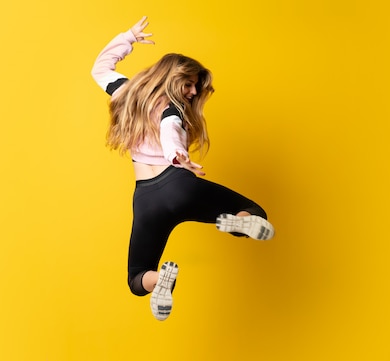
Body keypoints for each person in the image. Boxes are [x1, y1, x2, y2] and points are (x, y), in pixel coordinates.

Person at [91, 16, 275, 321]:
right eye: (188, 84)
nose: (192, 92)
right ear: (170, 78)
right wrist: (178, 157)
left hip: (146, 200)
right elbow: (169, 128)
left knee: (137, 278)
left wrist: (128, 38)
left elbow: (99, 69)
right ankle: (235, 223)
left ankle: (161, 280)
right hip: (177, 185)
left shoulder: (126, 93)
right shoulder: (170, 107)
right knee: (254, 211)